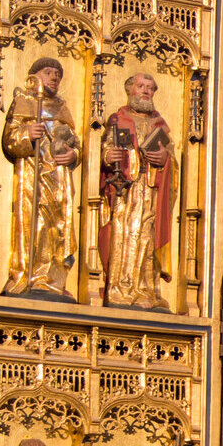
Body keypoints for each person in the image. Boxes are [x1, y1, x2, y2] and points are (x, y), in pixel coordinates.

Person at [2, 59, 82, 301]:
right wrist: (27, 134)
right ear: (34, 76)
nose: (54, 77)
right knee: (35, 223)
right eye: (48, 72)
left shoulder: (62, 108)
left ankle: (53, 280)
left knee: (58, 227)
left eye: (58, 74)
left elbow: (75, 143)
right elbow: (9, 140)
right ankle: (30, 276)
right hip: (34, 177)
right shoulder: (24, 102)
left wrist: (74, 155)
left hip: (59, 179)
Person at [99, 73, 177, 310]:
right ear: (129, 89)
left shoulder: (159, 124)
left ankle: (146, 290)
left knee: (147, 236)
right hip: (125, 191)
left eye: (151, 88)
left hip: (150, 189)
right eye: (141, 86)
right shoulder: (117, 119)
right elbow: (104, 150)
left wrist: (165, 158)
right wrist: (107, 156)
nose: (146, 92)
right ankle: (120, 288)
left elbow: (172, 160)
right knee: (124, 234)